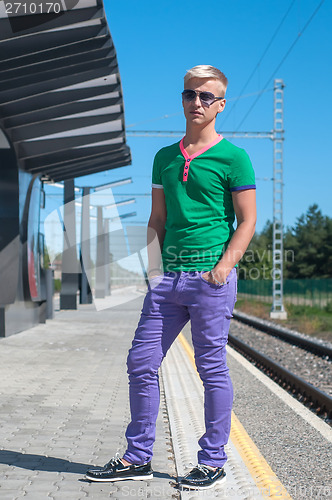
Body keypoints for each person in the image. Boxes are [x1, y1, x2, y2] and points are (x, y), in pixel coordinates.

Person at [85, 65, 256, 490]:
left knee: (210, 367)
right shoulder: (164, 157)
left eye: (205, 97)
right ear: (182, 99)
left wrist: (223, 268)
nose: (196, 103)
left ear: (220, 104)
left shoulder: (234, 157)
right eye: (189, 94)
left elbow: (247, 221)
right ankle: (138, 456)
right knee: (141, 362)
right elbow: (157, 218)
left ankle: (212, 461)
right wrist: (154, 269)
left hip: (210, 280)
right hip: (168, 281)